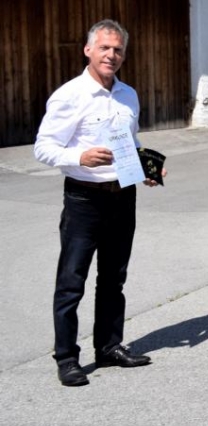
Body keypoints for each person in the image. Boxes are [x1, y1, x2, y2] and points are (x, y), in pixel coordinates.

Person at [34, 19, 164, 387]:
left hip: (123, 197)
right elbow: (43, 147)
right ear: (88, 50)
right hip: (84, 199)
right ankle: (67, 358)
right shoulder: (69, 95)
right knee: (71, 281)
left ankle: (108, 347)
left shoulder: (128, 95)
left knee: (113, 279)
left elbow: (130, 147)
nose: (112, 55)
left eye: (118, 49)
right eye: (105, 47)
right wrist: (80, 157)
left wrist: (146, 170)